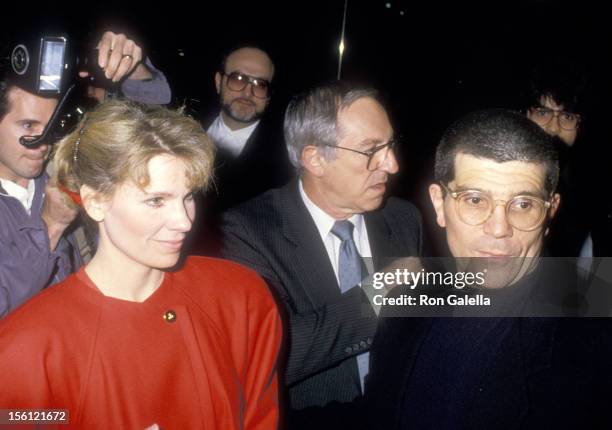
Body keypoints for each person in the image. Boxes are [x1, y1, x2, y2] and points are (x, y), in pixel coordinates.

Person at [0, 100, 282, 429]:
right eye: (156, 200)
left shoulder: (240, 299)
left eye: (187, 196)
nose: (184, 222)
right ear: (95, 201)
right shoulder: (29, 349)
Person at [365, 109, 612, 429]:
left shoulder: (594, 340)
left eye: (523, 204)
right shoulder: (407, 300)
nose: (499, 229)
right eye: (475, 200)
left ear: (550, 212)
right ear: (439, 205)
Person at [220, 82, 424, 418]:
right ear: (314, 159)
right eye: (372, 150)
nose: (392, 164)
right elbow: (270, 354)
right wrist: (375, 298)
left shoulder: (403, 218)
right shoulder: (248, 231)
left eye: (390, 145)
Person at [0, 30, 171, 317]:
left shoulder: (60, 168)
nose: (44, 141)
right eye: (28, 126)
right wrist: (50, 226)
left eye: (51, 123)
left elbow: (150, 129)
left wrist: (132, 68)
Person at [524, 57, 593, 256]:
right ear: (526, 114)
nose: (554, 128)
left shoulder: (588, 191)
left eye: (568, 116)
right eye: (543, 112)